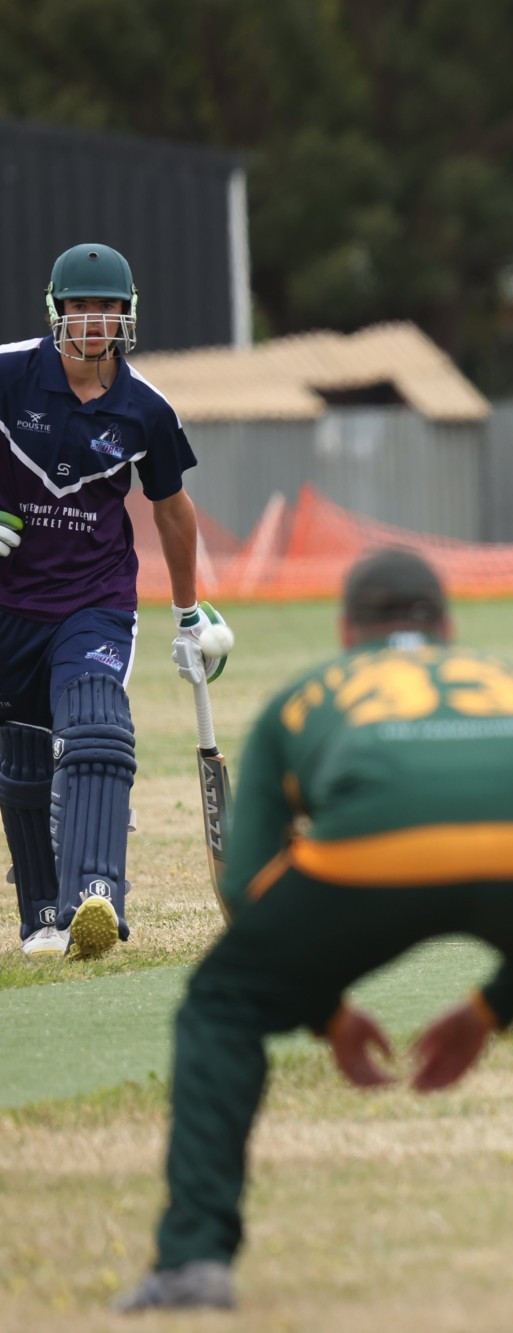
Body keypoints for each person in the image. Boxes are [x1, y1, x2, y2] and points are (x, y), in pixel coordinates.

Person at [114, 549, 513, 1312]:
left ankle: (195, 1258)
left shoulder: (308, 692)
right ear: (449, 628)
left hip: (371, 852)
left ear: (346, 632)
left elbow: (247, 883)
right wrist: (496, 1006)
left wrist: (321, 1007)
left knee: (221, 1006)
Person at [0, 242, 225, 961]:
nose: (92, 321)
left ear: (127, 316)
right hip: (10, 601)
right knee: (23, 761)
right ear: (55, 311)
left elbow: (172, 510)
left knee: (96, 721)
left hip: (94, 599)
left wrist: (190, 612)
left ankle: (95, 894)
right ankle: (41, 915)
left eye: (106, 308)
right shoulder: (9, 372)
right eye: (79, 307)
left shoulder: (145, 409)